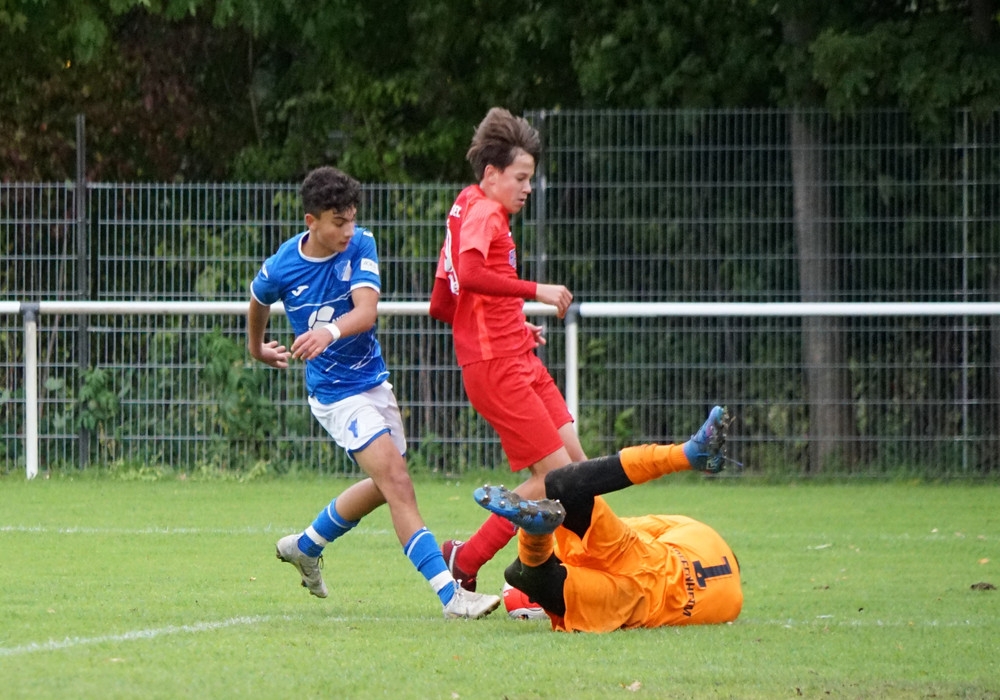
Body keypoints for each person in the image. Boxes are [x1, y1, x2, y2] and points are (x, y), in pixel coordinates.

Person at [247, 166, 500, 620]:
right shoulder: (284, 264)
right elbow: (259, 297)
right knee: (398, 482)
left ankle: (306, 546)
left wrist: (327, 331)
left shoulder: (361, 243)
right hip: (335, 395)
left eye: (352, 219)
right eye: (338, 222)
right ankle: (451, 597)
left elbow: (366, 312)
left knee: (386, 487)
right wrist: (256, 347)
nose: (348, 230)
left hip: (374, 383)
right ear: (311, 221)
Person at [429, 107, 586, 591]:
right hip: (498, 367)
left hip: (515, 355)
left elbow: (442, 302)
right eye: (520, 178)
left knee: (577, 471)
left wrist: (511, 325)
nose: (527, 188)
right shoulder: (485, 212)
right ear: (492, 173)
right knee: (557, 479)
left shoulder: (465, 205)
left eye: (530, 178)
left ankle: (564, 569)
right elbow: (471, 274)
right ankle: (472, 559)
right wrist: (535, 292)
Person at [474, 406, 743, 633]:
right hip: (638, 591)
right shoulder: (729, 596)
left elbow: (636, 525)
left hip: (635, 575)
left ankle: (536, 537)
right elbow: (634, 525)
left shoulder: (718, 569)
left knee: (523, 572)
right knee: (560, 484)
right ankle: (686, 454)